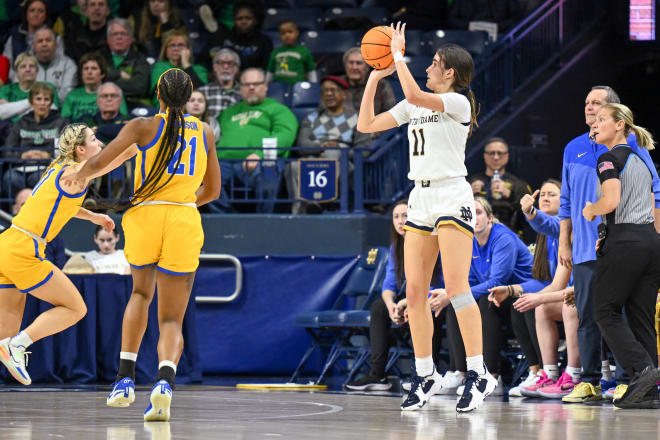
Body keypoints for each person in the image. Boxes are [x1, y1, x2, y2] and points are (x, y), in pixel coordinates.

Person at [62, 68, 221, 421]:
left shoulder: (142, 126)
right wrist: (180, 203)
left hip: (146, 216)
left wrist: (75, 175)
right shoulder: (205, 131)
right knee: (171, 318)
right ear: (189, 95)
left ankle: (124, 379)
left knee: (140, 295)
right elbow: (212, 191)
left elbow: (100, 163)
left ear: (158, 96)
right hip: (183, 216)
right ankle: (164, 382)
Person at [357, 23, 496, 412]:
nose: (428, 68)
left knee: (455, 287)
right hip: (420, 195)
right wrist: (375, 76)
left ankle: (478, 372)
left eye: (434, 64)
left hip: (452, 192)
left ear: (450, 73)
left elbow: (415, 90)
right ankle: (425, 373)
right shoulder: (413, 105)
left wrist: (398, 56)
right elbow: (365, 125)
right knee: (414, 292)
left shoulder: (459, 103)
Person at [557, 86, 660, 404]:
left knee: (612, 313)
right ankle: (614, 385)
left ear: (618, 119)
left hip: (622, 244)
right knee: (614, 315)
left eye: (599, 109)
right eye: (588, 105)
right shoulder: (578, 149)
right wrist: (566, 240)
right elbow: (565, 200)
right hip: (617, 246)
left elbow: (631, 197)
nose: (592, 113)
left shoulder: (618, 154)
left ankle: (637, 374)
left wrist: (593, 209)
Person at [0, 123, 115, 385]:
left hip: (7, 243)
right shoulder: (76, 172)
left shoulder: (59, 169)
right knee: (75, 308)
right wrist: (133, 147)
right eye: (95, 139)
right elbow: (103, 164)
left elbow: (67, 205)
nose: (99, 143)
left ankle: (12, 344)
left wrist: (93, 216)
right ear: (81, 149)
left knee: (3, 335)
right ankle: (19, 345)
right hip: (24, 249)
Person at [583, 103, 660, 409]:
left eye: (602, 119)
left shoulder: (608, 158)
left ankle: (642, 369)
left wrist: (591, 209)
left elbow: (611, 200)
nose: (595, 123)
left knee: (605, 311)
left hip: (626, 242)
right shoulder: (642, 161)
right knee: (641, 318)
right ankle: (650, 391)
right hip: (650, 243)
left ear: (620, 126)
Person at [345, 200, 451, 391]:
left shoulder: (432, 242)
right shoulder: (396, 247)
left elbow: (439, 285)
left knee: (426, 309)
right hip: (409, 300)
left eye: (405, 216)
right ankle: (377, 375)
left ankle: (426, 374)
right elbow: (389, 284)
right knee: (378, 307)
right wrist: (392, 306)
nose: (400, 221)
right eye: (396, 217)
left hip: (439, 299)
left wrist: (408, 302)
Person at [490, 180, 581, 399]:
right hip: (565, 294)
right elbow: (555, 283)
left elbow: (570, 288)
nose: (546, 198)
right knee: (534, 306)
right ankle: (545, 372)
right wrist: (529, 297)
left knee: (547, 304)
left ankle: (573, 374)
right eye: (543, 195)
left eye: (553, 194)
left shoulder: (571, 230)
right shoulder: (548, 236)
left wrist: (529, 211)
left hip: (583, 297)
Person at [446, 197, 533, 396]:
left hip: (521, 293)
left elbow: (497, 282)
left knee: (487, 301)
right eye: (468, 213)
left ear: (490, 218)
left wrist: (456, 293)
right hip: (496, 295)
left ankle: (492, 376)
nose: (473, 217)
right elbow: (468, 281)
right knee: (456, 303)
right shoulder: (468, 241)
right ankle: (462, 372)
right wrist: (455, 295)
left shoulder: (503, 238)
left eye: (478, 212)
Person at [214, 67, 298, 214]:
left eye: (257, 83)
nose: (251, 87)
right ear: (241, 88)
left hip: (261, 160)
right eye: (246, 85)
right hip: (223, 162)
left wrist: (260, 154)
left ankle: (263, 222)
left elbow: (284, 135)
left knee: (268, 177)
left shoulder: (278, 109)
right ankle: (229, 219)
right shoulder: (228, 112)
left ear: (265, 86)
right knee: (203, 179)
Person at [287, 75, 370, 214]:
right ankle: (299, 210)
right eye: (325, 91)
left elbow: (364, 150)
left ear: (344, 94)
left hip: (344, 164)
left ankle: (317, 202)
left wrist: (340, 149)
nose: (329, 94)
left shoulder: (358, 118)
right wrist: (322, 146)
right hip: (314, 157)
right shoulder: (311, 118)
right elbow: (302, 145)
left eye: (333, 90)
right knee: (292, 167)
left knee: (333, 152)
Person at [3, 82, 67, 197]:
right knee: (10, 178)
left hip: (47, 167)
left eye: (46, 99)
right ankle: (14, 211)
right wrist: (22, 156)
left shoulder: (61, 122)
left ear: (51, 102)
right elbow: (7, 150)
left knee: (38, 177)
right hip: (21, 168)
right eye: (38, 99)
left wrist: (47, 155)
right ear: (32, 102)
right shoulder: (21, 123)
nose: (42, 103)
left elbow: (66, 150)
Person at [468, 137, 531, 234]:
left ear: (507, 156)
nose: (496, 157)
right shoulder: (470, 182)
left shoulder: (519, 185)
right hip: (474, 237)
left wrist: (511, 196)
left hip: (508, 236)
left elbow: (530, 220)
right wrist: (467, 194)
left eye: (500, 153)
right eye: (492, 153)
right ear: (485, 156)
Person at [61, 52, 128, 123]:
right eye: (86, 68)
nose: (89, 72)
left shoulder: (113, 93)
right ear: (81, 74)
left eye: (94, 68)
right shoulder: (72, 95)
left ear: (102, 74)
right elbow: (64, 122)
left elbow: (123, 119)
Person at [99, 18, 151, 108]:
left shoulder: (140, 59)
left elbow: (139, 87)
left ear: (131, 39)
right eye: (115, 34)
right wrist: (118, 74)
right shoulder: (98, 58)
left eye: (123, 34)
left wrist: (106, 83)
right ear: (108, 40)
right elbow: (91, 81)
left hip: (134, 106)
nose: (119, 37)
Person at [12, 187, 67, 269]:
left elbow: (61, 269)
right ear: (15, 209)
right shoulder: (3, 237)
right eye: (24, 204)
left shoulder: (54, 237)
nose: (29, 208)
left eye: (33, 204)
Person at [149, 30, 207, 106]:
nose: (176, 48)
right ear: (166, 51)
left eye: (180, 45)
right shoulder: (160, 66)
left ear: (188, 50)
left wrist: (186, 65)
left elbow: (201, 92)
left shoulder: (199, 69)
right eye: (172, 45)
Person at [0, 53, 60, 123]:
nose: (28, 69)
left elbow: (52, 112)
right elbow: (2, 113)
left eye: (31, 66)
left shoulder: (47, 87)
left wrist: (12, 110)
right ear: (16, 72)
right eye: (23, 66)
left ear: (37, 70)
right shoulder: (5, 89)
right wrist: (33, 103)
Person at [2, 0, 62, 66]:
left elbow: (59, 66)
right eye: (32, 10)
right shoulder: (14, 38)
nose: (36, 14)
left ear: (46, 15)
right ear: (26, 14)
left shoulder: (55, 38)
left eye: (40, 11)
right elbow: (5, 65)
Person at [216, 2, 273, 70]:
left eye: (248, 18)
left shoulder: (265, 41)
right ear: (234, 21)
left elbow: (267, 68)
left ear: (255, 21)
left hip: (253, 79)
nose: (244, 22)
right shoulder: (223, 37)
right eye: (239, 19)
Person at [342, 47, 396, 116]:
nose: (354, 67)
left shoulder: (381, 85)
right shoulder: (333, 84)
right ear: (345, 65)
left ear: (367, 67)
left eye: (359, 63)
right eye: (351, 62)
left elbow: (391, 114)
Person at [29, 26, 77, 102]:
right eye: (40, 41)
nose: (44, 44)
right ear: (34, 46)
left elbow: (68, 94)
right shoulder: (26, 64)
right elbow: (21, 91)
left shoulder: (68, 64)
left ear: (55, 44)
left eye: (48, 40)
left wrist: (45, 102)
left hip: (59, 110)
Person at [266, 19, 316, 86]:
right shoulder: (275, 52)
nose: (287, 35)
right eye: (283, 33)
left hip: (297, 87)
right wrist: (265, 85)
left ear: (297, 33)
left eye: (290, 32)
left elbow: (311, 71)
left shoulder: (304, 51)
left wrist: (314, 86)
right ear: (280, 35)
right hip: (278, 88)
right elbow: (270, 72)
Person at [198, 48, 242, 120]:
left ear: (237, 68)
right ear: (214, 67)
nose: (225, 67)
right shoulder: (202, 92)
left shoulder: (244, 93)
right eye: (221, 63)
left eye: (230, 63)